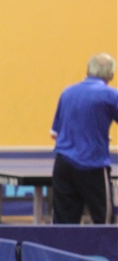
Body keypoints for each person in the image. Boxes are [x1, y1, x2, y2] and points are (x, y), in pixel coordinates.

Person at [50, 53, 118, 224]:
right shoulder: (111, 95)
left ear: (88, 70)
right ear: (111, 75)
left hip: (63, 165)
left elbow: (54, 133)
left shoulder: (67, 92)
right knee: (104, 222)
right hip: (92, 164)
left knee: (63, 224)